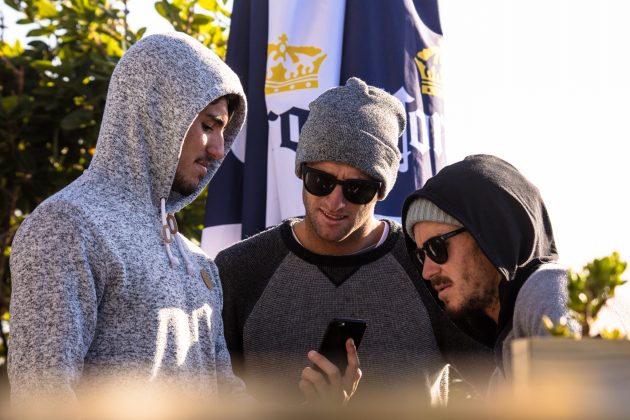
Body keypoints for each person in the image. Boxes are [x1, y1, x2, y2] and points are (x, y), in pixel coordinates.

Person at [8, 32, 355, 409]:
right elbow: (42, 394)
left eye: (224, 130)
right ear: (156, 113)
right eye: (208, 125)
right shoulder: (67, 226)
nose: (220, 149)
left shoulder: (196, 261)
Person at [215, 78, 492, 404]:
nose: (335, 202)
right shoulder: (240, 271)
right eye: (321, 182)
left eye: (356, 189)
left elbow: (502, 384)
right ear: (301, 171)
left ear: (381, 189)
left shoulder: (427, 265)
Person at [401, 154, 575, 388]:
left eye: (437, 248)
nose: (427, 271)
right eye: (421, 255)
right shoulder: (500, 377)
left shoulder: (546, 286)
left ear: (492, 234)